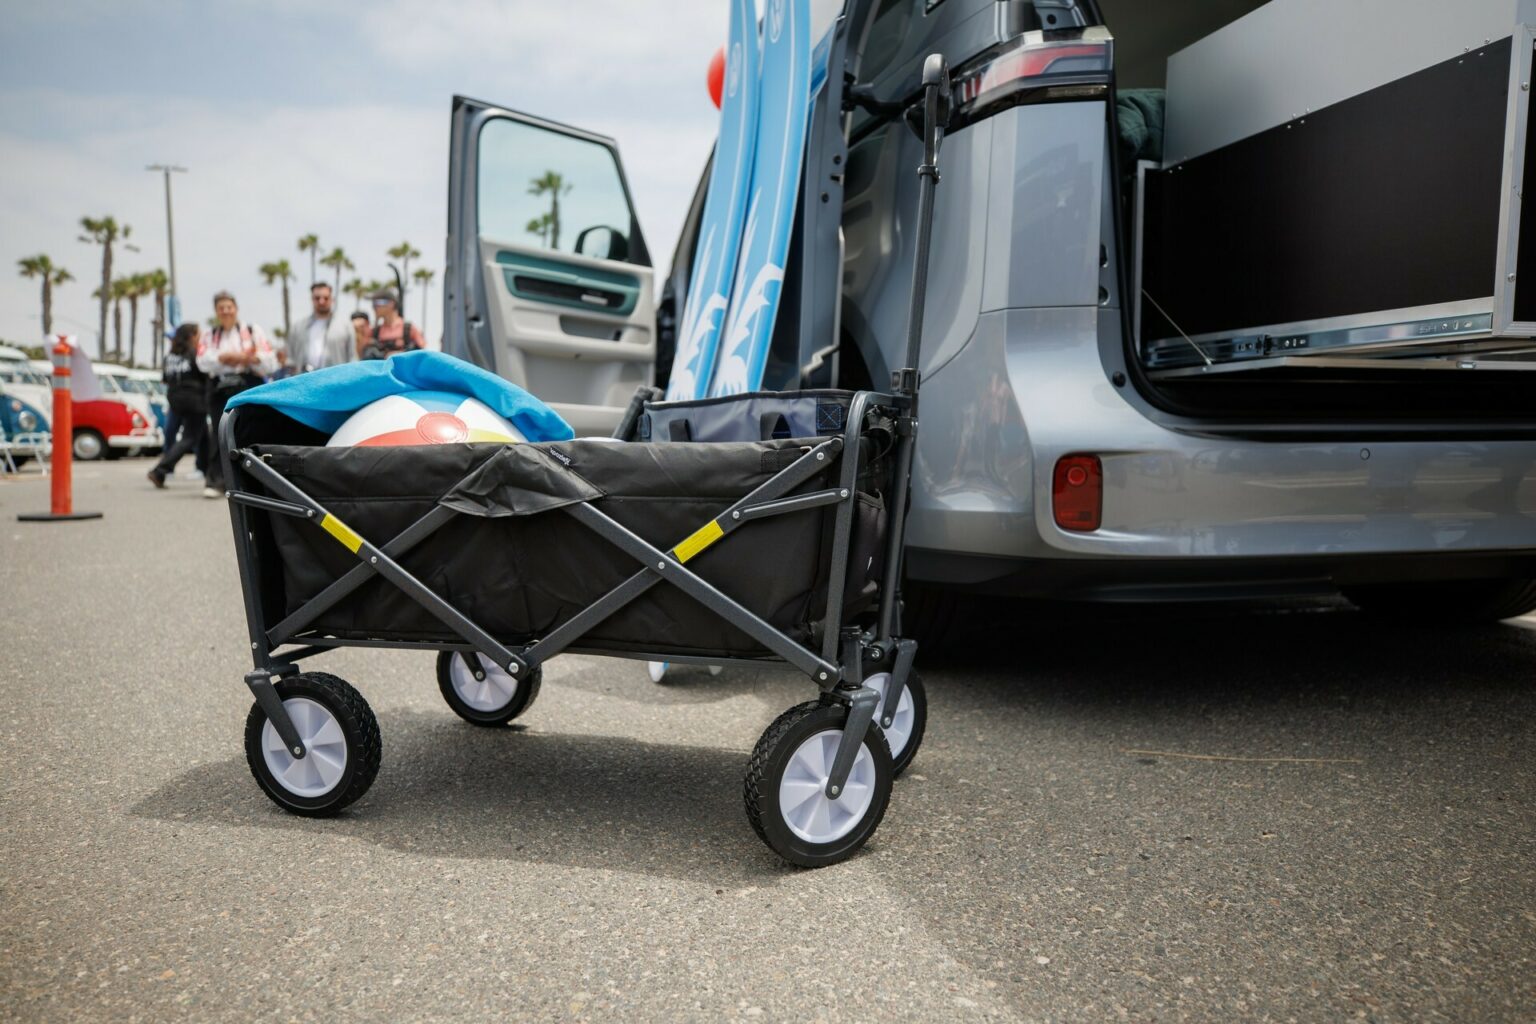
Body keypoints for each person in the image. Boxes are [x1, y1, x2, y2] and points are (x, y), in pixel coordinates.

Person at [197, 291, 277, 499]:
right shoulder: (210, 335)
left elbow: (268, 360)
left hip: (247, 383)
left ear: (236, 308)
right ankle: (216, 481)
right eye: (221, 308)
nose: (225, 311)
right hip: (219, 388)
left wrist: (245, 359)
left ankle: (252, 481)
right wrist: (226, 358)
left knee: (249, 431)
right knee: (219, 432)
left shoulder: (252, 331)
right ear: (216, 311)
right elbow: (203, 361)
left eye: (229, 307)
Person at [146, 323, 208, 489]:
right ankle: (160, 470)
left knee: (204, 436)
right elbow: (206, 376)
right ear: (191, 336)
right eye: (198, 334)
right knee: (190, 438)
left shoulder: (170, 356)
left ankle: (208, 470)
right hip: (194, 401)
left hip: (175, 400)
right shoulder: (195, 354)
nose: (200, 338)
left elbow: (165, 379)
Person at [292, 282, 354, 372]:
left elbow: (352, 357)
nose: (321, 301)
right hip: (306, 381)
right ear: (312, 299)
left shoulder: (345, 326)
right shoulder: (298, 327)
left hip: (336, 380)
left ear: (332, 299)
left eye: (326, 298)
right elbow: (291, 358)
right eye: (317, 298)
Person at [359, 287, 424, 359]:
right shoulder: (374, 332)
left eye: (377, 303)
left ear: (391, 304)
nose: (374, 307)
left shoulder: (408, 329)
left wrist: (400, 354)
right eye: (373, 304)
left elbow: (422, 352)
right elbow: (361, 356)